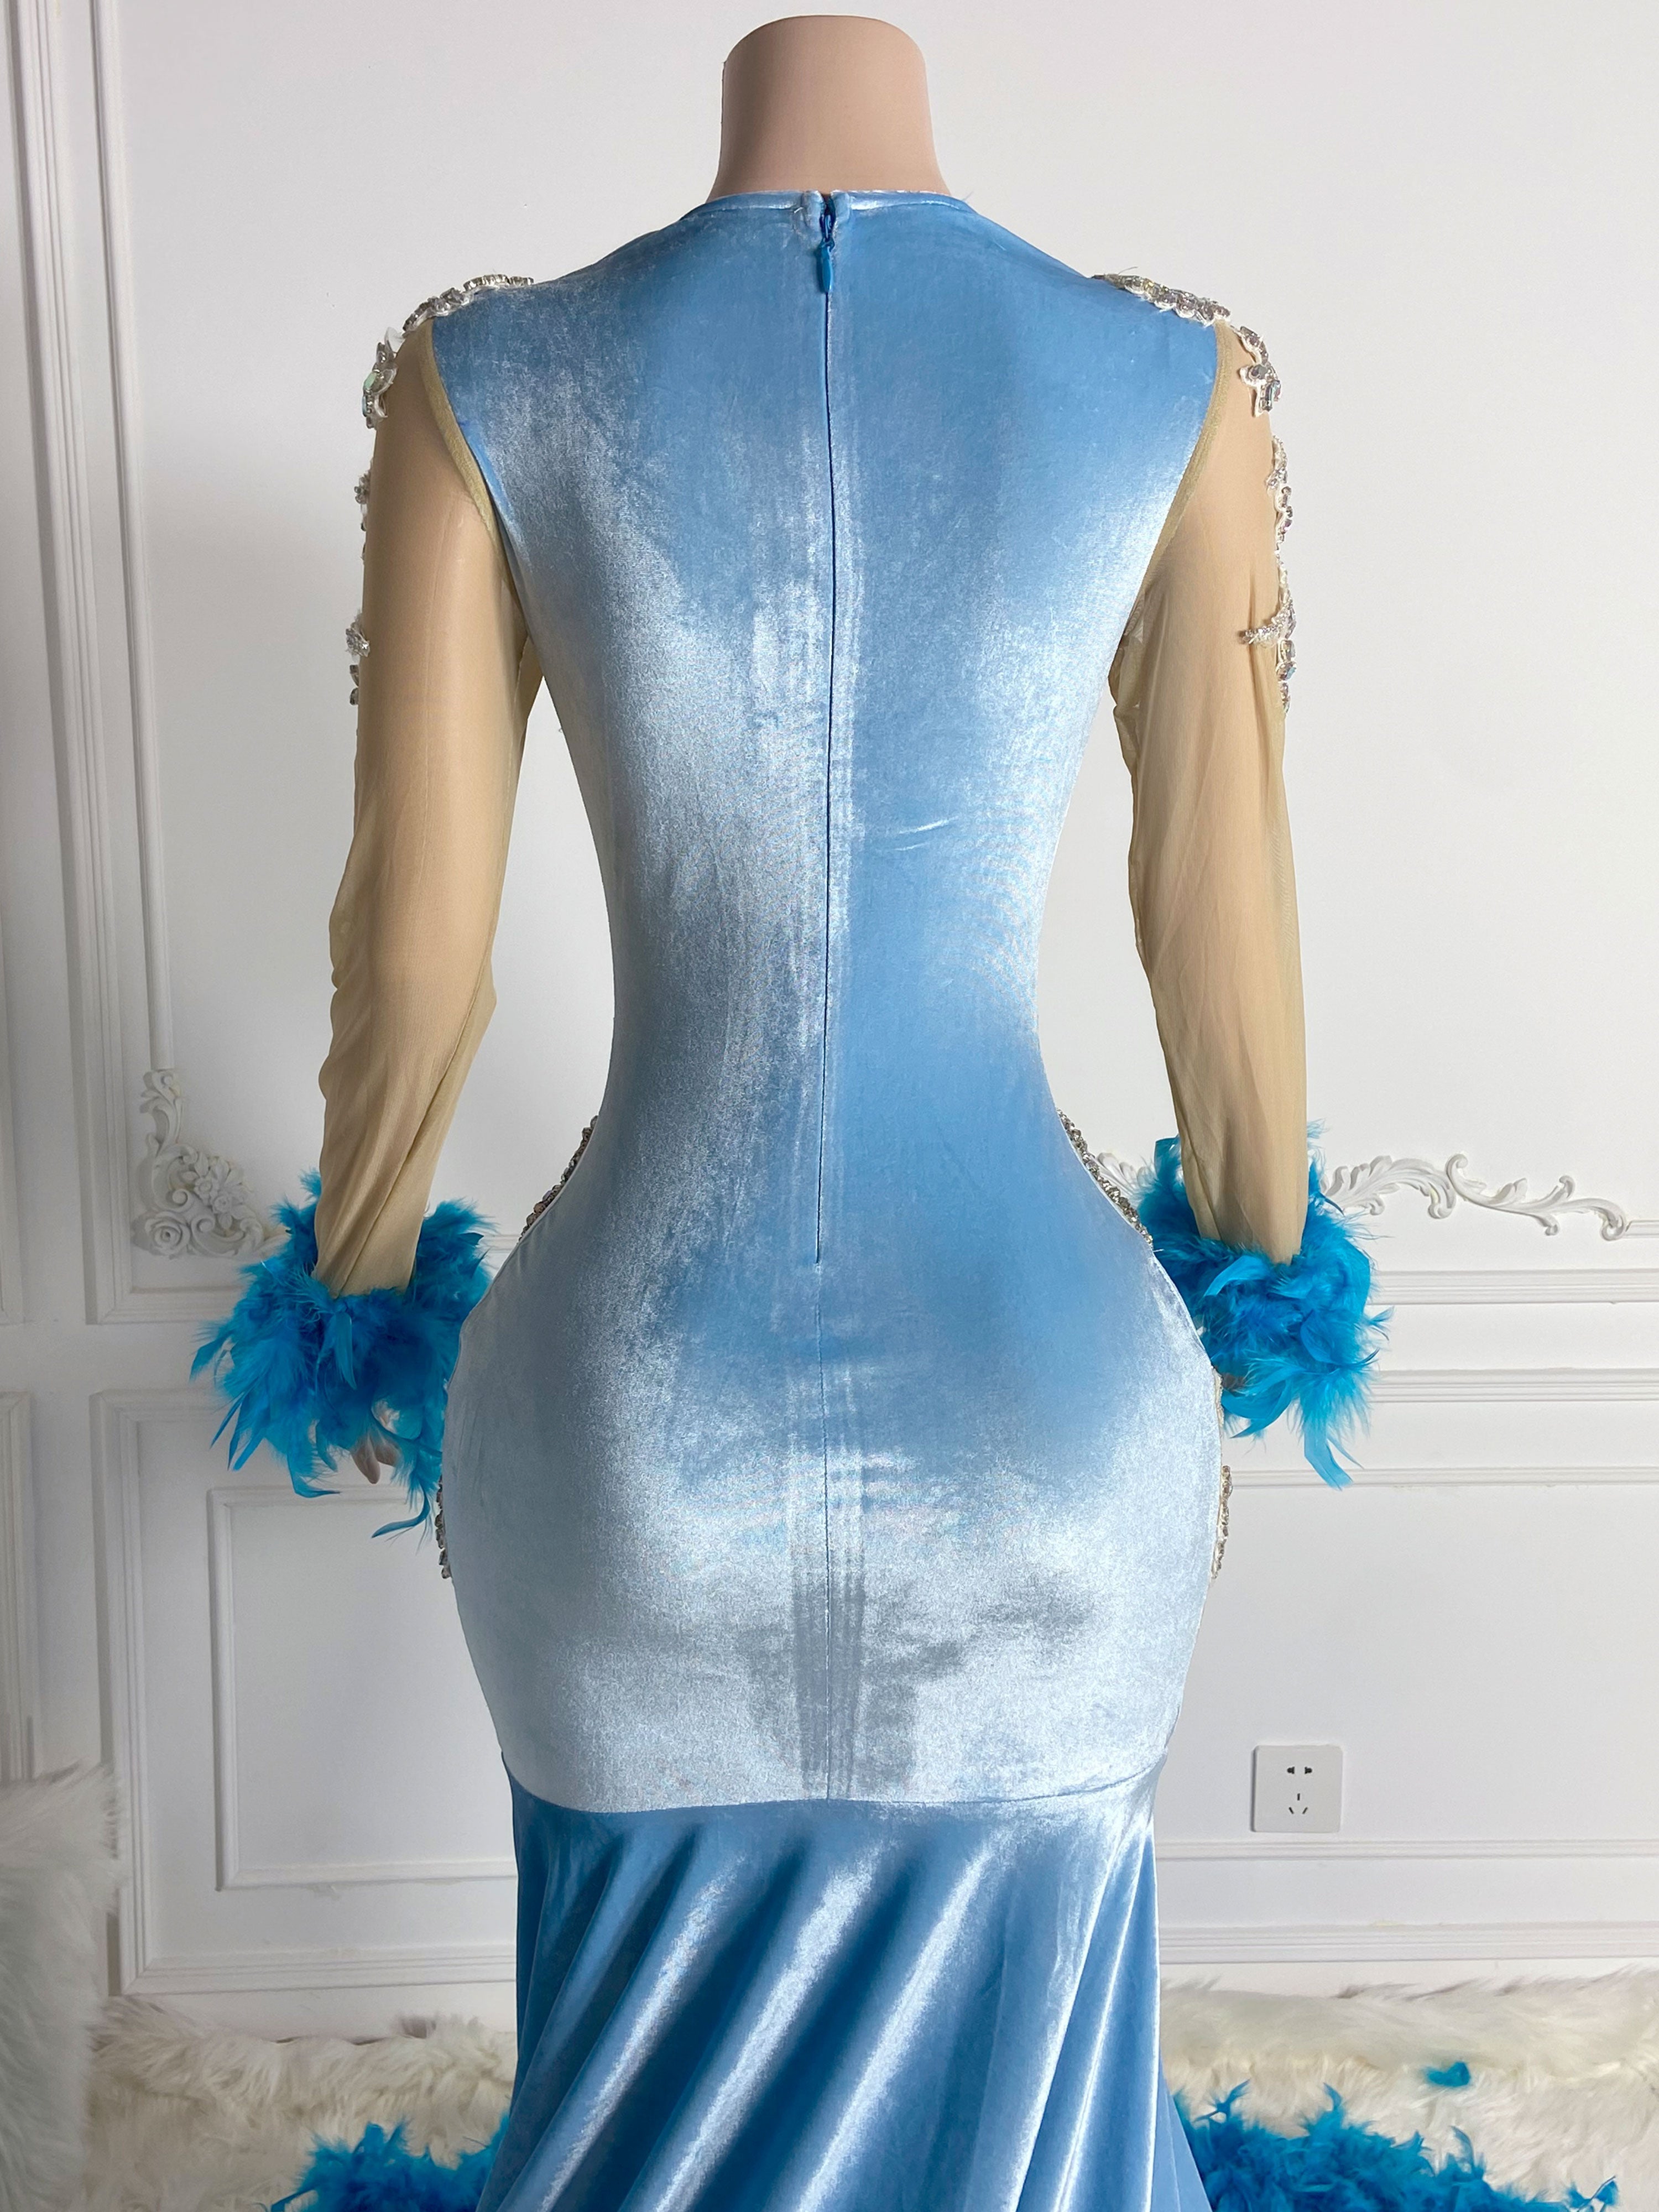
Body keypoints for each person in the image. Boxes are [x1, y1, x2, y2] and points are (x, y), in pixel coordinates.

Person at [201, 18, 1383, 2209]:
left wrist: (354, 1284)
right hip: (1046, 1408)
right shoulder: (1171, 377)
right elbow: (1221, 922)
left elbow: (416, 958)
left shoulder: (495, 374)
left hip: (638, 1412)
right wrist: (1259, 1262)